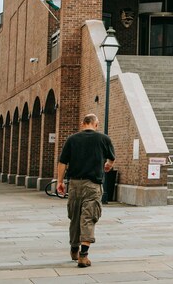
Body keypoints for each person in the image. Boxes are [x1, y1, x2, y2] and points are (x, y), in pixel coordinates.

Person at [56, 114, 116, 267]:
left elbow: (62, 162)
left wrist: (60, 182)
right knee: (88, 217)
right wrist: (108, 165)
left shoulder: (72, 139)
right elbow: (111, 159)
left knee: (75, 216)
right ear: (96, 124)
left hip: (75, 184)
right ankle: (84, 255)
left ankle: (74, 248)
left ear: (83, 123)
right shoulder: (104, 139)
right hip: (93, 185)